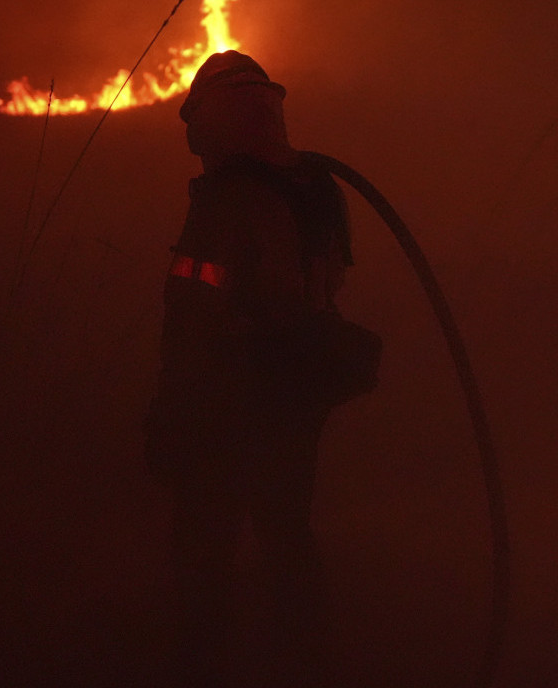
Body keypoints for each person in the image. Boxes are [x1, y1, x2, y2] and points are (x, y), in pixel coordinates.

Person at [144, 50, 378, 687]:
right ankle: (303, 659)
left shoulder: (231, 197)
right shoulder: (315, 188)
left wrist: (178, 403)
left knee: (205, 544)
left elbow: (202, 309)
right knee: (286, 532)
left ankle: (202, 665)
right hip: (296, 393)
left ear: (212, 122)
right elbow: (326, 283)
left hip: (230, 394)